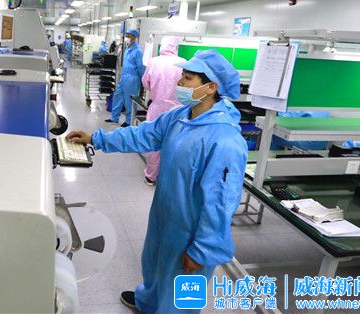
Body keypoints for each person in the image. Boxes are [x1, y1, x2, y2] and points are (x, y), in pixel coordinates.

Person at [68, 49, 248, 313]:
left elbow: (221, 203)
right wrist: (97, 138)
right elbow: (143, 135)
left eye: (187, 78)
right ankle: (148, 303)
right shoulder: (180, 116)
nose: (179, 83)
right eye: (182, 76)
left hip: (192, 233)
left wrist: (202, 250)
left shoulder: (225, 141)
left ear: (211, 87)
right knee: (155, 268)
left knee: (182, 293)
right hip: (165, 217)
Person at [141, 36, 183, 186]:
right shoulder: (183, 62)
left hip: (157, 108)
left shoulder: (154, 61)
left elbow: (145, 83)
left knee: (154, 141)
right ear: (176, 46)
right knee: (174, 142)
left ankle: (151, 175)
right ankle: (168, 177)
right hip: (178, 110)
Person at [106, 29, 145, 127]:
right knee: (117, 96)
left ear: (134, 37)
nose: (126, 37)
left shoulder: (138, 51)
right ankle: (114, 118)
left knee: (129, 101)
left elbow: (140, 67)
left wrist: (143, 80)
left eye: (129, 35)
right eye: (126, 35)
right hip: (124, 77)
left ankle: (128, 121)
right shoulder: (127, 48)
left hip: (132, 79)